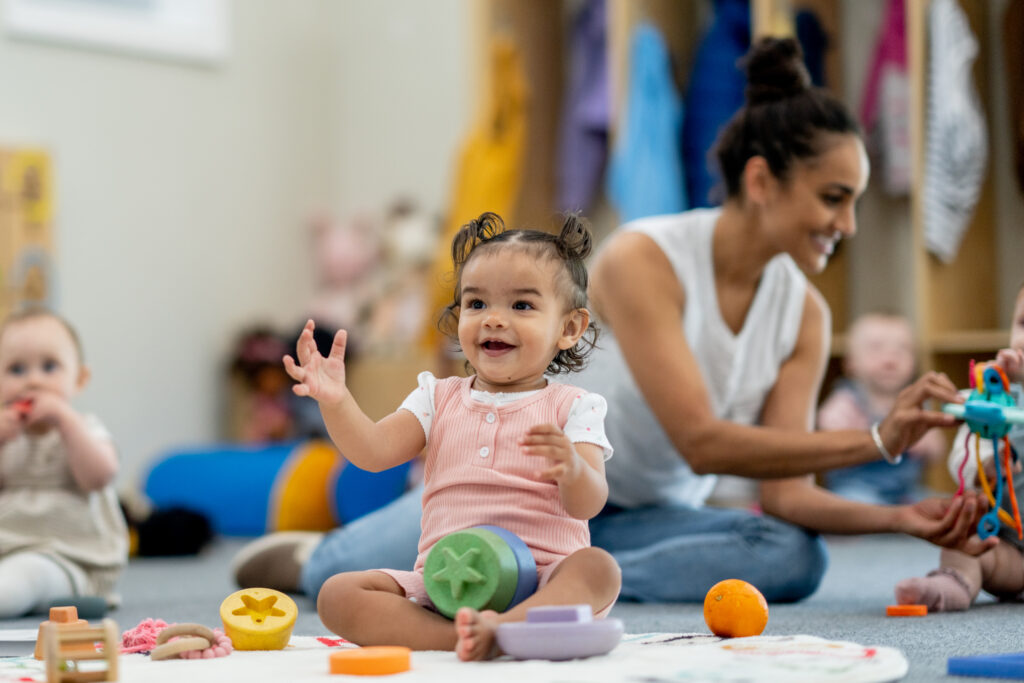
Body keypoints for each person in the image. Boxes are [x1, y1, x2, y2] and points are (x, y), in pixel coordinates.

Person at [233, 37, 988, 605]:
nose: (848, 223)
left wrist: (903, 518)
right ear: (761, 181)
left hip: (623, 509)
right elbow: (700, 436)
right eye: (834, 197)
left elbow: (786, 494)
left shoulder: (805, 314)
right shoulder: (644, 259)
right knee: (340, 576)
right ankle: (323, 556)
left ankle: (551, 583)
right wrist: (880, 437)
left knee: (794, 557)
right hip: (511, 490)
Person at [283, 212, 620, 660]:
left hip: (545, 578)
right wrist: (336, 401)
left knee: (599, 569)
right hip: (446, 586)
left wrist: (574, 470)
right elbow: (373, 452)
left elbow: (588, 502)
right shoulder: (437, 396)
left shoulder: (574, 406)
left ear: (569, 328)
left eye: (521, 306)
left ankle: (507, 626)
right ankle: (463, 636)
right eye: (477, 304)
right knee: (338, 593)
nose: (493, 320)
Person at [895, 283, 1024, 611]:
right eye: (1022, 324)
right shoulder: (997, 404)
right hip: (1011, 553)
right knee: (966, 543)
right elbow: (962, 468)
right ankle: (951, 582)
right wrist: (989, 459)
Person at [0, 308, 127, 617]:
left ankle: (35, 594)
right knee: (17, 573)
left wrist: (66, 422)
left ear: (79, 379)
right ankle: (45, 598)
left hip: (67, 555)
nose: (33, 381)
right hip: (7, 549)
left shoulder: (84, 428)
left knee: (27, 577)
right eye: (16, 370)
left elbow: (99, 476)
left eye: (49, 366)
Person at [818, 313, 947, 505]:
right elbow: (825, 431)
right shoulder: (847, 401)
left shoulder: (915, 402)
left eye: (902, 350)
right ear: (850, 363)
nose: (890, 359)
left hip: (904, 491)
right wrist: (849, 431)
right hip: (855, 487)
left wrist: (925, 442)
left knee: (941, 504)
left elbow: (937, 450)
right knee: (852, 505)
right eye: (876, 349)